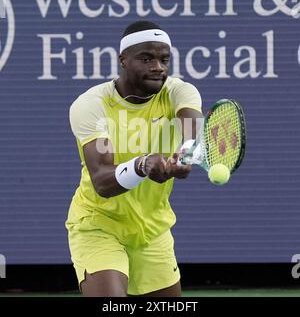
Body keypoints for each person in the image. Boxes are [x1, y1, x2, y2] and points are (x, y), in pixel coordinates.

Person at [66, 20, 203, 297]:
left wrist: (186, 155)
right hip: (99, 225)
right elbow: (103, 182)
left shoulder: (178, 92)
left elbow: (192, 130)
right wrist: (142, 165)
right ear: (123, 60)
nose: (158, 67)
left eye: (164, 59)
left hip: (153, 230)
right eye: (146, 58)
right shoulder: (92, 105)